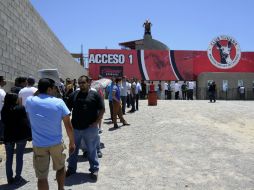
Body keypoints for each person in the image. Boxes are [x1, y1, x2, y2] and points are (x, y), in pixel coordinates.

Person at [26, 78, 75, 190]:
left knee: (42, 177)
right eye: (53, 88)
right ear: (49, 89)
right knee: (61, 168)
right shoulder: (59, 102)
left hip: (39, 145)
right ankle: (61, 189)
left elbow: (35, 95)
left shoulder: (30, 101)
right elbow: (68, 126)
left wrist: (41, 89)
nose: (55, 91)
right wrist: (72, 142)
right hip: (56, 143)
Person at [66, 75, 105, 181]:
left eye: (83, 82)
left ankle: (94, 170)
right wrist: (67, 120)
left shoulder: (95, 95)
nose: (81, 85)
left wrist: (96, 122)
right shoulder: (74, 94)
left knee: (92, 150)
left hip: (90, 128)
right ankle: (71, 169)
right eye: (80, 83)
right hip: (76, 128)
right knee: (73, 149)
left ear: (88, 83)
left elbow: (102, 109)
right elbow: (67, 108)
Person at [1, 93, 32, 185]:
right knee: (19, 157)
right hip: (20, 136)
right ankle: (18, 177)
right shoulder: (20, 108)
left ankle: (9, 178)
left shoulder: (4, 109)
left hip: (8, 136)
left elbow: (4, 122)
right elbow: (25, 122)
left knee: (9, 158)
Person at [0, 76, 6, 143]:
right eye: (4, 80)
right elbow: (4, 102)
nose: (5, 81)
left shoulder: (2, 90)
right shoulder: (1, 91)